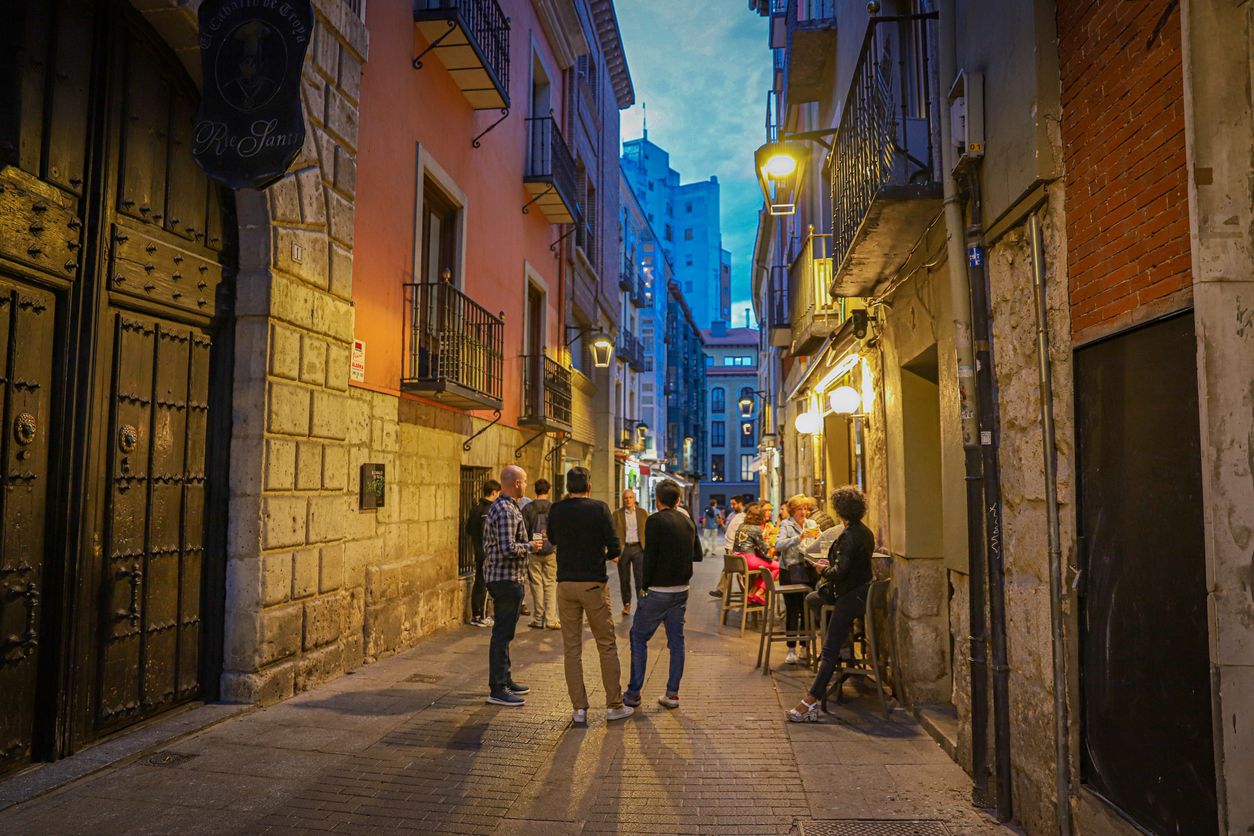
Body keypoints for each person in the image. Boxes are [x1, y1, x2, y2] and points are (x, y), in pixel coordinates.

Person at [547, 466, 634, 725]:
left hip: (565, 584)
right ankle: (614, 705)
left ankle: (579, 709)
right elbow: (615, 546)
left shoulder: (557, 509)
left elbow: (551, 538)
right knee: (606, 644)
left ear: (567, 487)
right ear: (589, 486)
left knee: (571, 648)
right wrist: (602, 555)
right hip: (593, 584)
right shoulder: (599, 509)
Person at [788, 486, 875, 722]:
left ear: (839, 510)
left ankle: (810, 702)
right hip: (861, 591)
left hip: (849, 596)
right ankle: (843, 641)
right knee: (813, 598)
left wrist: (822, 569)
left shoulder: (848, 536)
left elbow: (840, 572)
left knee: (828, 650)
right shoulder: (865, 531)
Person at [625, 480, 703, 710]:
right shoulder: (688, 521)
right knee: (676, 641)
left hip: (658, 590)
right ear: (678, 500)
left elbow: (649, 557)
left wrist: (644, 586)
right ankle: (672, 694)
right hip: (682, 590)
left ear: (657, 499)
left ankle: (634, 693)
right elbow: (697, 554)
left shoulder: (655, 521)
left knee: (638, 637)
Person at [482, 465, 543, 707]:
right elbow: (507, 548)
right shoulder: (506, 510)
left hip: (508, 578)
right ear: (517, 483)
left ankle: (505, 680)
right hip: (505, 578)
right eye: (525, 481)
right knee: (502, 633)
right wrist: (531, 547)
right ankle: (498, 688)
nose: (526, 485)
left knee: (505, 632)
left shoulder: (507, 506)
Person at [775, 495, 821, 664]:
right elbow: (779, 545)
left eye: (805, 509)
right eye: (800, 509)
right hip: (790, 572)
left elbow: (821, 544)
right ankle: (791, 648)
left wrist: (819, 537)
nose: (803, 512)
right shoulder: (786, 525)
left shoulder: (812, 524)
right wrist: (799, 538)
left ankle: (804, 647)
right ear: (792, 511)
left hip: (808, 570)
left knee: (807, 610)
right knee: (793, 610)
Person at [522, 479, 559, 630]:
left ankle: (538, 618)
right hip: (550, 550)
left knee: (536, 584)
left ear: (535, 490)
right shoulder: (553, 508)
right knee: (550, 583)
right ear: (548, 491)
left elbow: (523, 530)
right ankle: (551, 619)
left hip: (533, 550)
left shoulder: (528, 508)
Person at [465, 479, 501, 627]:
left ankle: (476, 615)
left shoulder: (476, 508)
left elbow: (469, 529)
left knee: (479, 583)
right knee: (486, 584)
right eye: (498, 493)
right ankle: (483, 615)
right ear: (493, 492)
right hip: (487, 552)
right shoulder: (489, 510)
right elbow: (488, 532)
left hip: (478, 550)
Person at [612, 489, 648, 615]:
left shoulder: (643, 513)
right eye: (626, 498)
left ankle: (642, 604)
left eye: (630, 497)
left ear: (634, 498)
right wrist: (614, 552)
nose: (628, 500)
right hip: (624, 549)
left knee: (641, 579)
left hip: (638, 548)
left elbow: (648, 531)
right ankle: (626, 604)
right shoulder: (617, 514)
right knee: (624, 579)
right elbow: (612, 533)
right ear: (623, 500)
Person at [711, 495, 748, 597]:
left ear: (740, 503)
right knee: (729, 568)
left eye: (734, 504)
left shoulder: (745, 515)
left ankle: (746, 592)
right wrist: (721, 524)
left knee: (730, 569)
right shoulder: (731, 515)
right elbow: (727, 530)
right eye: (731, 504)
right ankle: (724, 590)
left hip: (738, 547)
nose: (732, 506)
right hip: (730, 546)